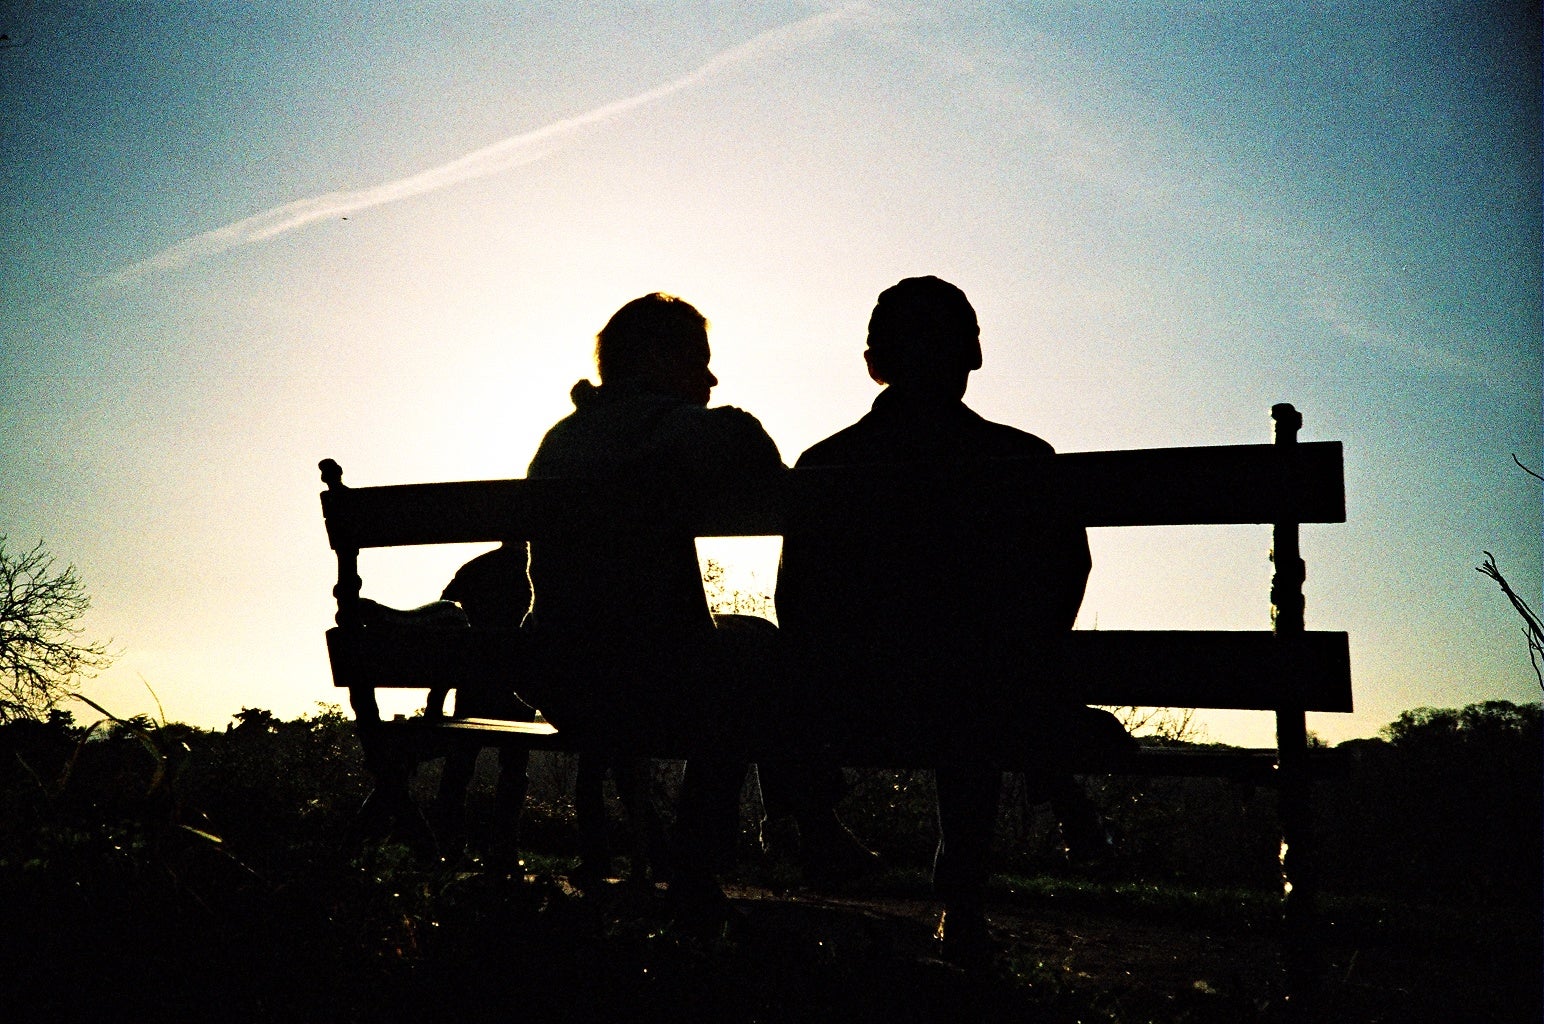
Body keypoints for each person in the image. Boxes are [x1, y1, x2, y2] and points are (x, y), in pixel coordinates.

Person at [775, 275, 1126, 960]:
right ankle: (965, 902)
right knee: (978, 680)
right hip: (989, 697)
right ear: (976, 356)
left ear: (875, 364)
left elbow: (796, 602)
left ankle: (828, 831)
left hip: (855, 700)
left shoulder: (824, 465)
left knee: (959, 676)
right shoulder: (1027, 460)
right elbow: (1069, 574)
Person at [522, 292, 785, 911]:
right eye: (698, 360)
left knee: (728, 655)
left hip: (558, 672)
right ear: (656, 358)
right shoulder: (682, 430)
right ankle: (708, 859)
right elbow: (759, 459)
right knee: (751, 645)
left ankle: (718, 852)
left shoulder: (561, 440)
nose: (712, 377)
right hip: (657, 674)